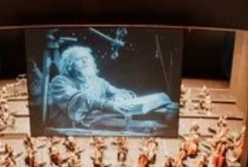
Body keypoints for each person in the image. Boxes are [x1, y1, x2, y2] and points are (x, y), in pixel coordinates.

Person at [46, 44, 176, 130]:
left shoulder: (98, 81)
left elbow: (119, 92)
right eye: (79, 59)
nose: (85, 61)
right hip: (75, 127)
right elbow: (81, 99)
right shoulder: (60, 81)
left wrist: (119, 97)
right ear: (69, 65)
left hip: (98, 121)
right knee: (148, 126)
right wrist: (109, 105)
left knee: (161, 117)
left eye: (86, 58)